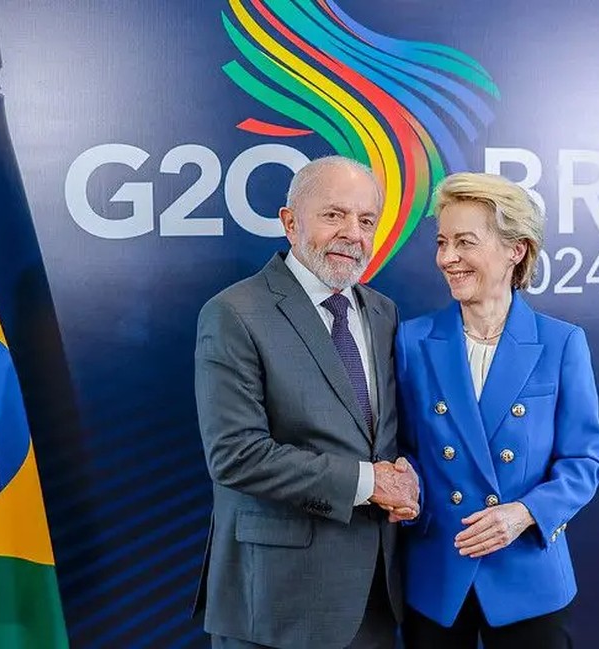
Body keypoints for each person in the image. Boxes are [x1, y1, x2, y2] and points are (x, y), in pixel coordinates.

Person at [193, 156, 420, 649]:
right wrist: (369, 482)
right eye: (334, 215)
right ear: (290, 222)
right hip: (276, 604)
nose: (353, 234)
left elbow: (384, 435)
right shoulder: (234, 313)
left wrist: (406, 479)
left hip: (372, 600)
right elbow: (235, 455)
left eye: (366, 221)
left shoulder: (383, 312)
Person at [394, 172, 599, 648]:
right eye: (443, 242)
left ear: (516, 249)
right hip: (439, 573)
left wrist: (524, 513)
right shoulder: (412, 340)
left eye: (465, 243)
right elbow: (404, 447)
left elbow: (585, 462)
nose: (447, 258)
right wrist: (406, 490)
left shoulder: (561, 343)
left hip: (528, 576)